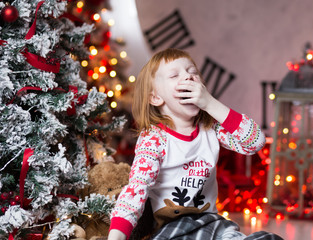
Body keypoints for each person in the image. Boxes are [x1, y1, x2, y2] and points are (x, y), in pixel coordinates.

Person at [108, 48, 283, 240]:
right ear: (156, 97)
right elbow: (136, 190)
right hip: (173, 228)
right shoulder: (154, 139)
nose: (188, 77)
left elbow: (255, 142)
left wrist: (210, 104)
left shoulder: (211, 129)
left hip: (212, 223)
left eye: (193, 73)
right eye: (175, 75)